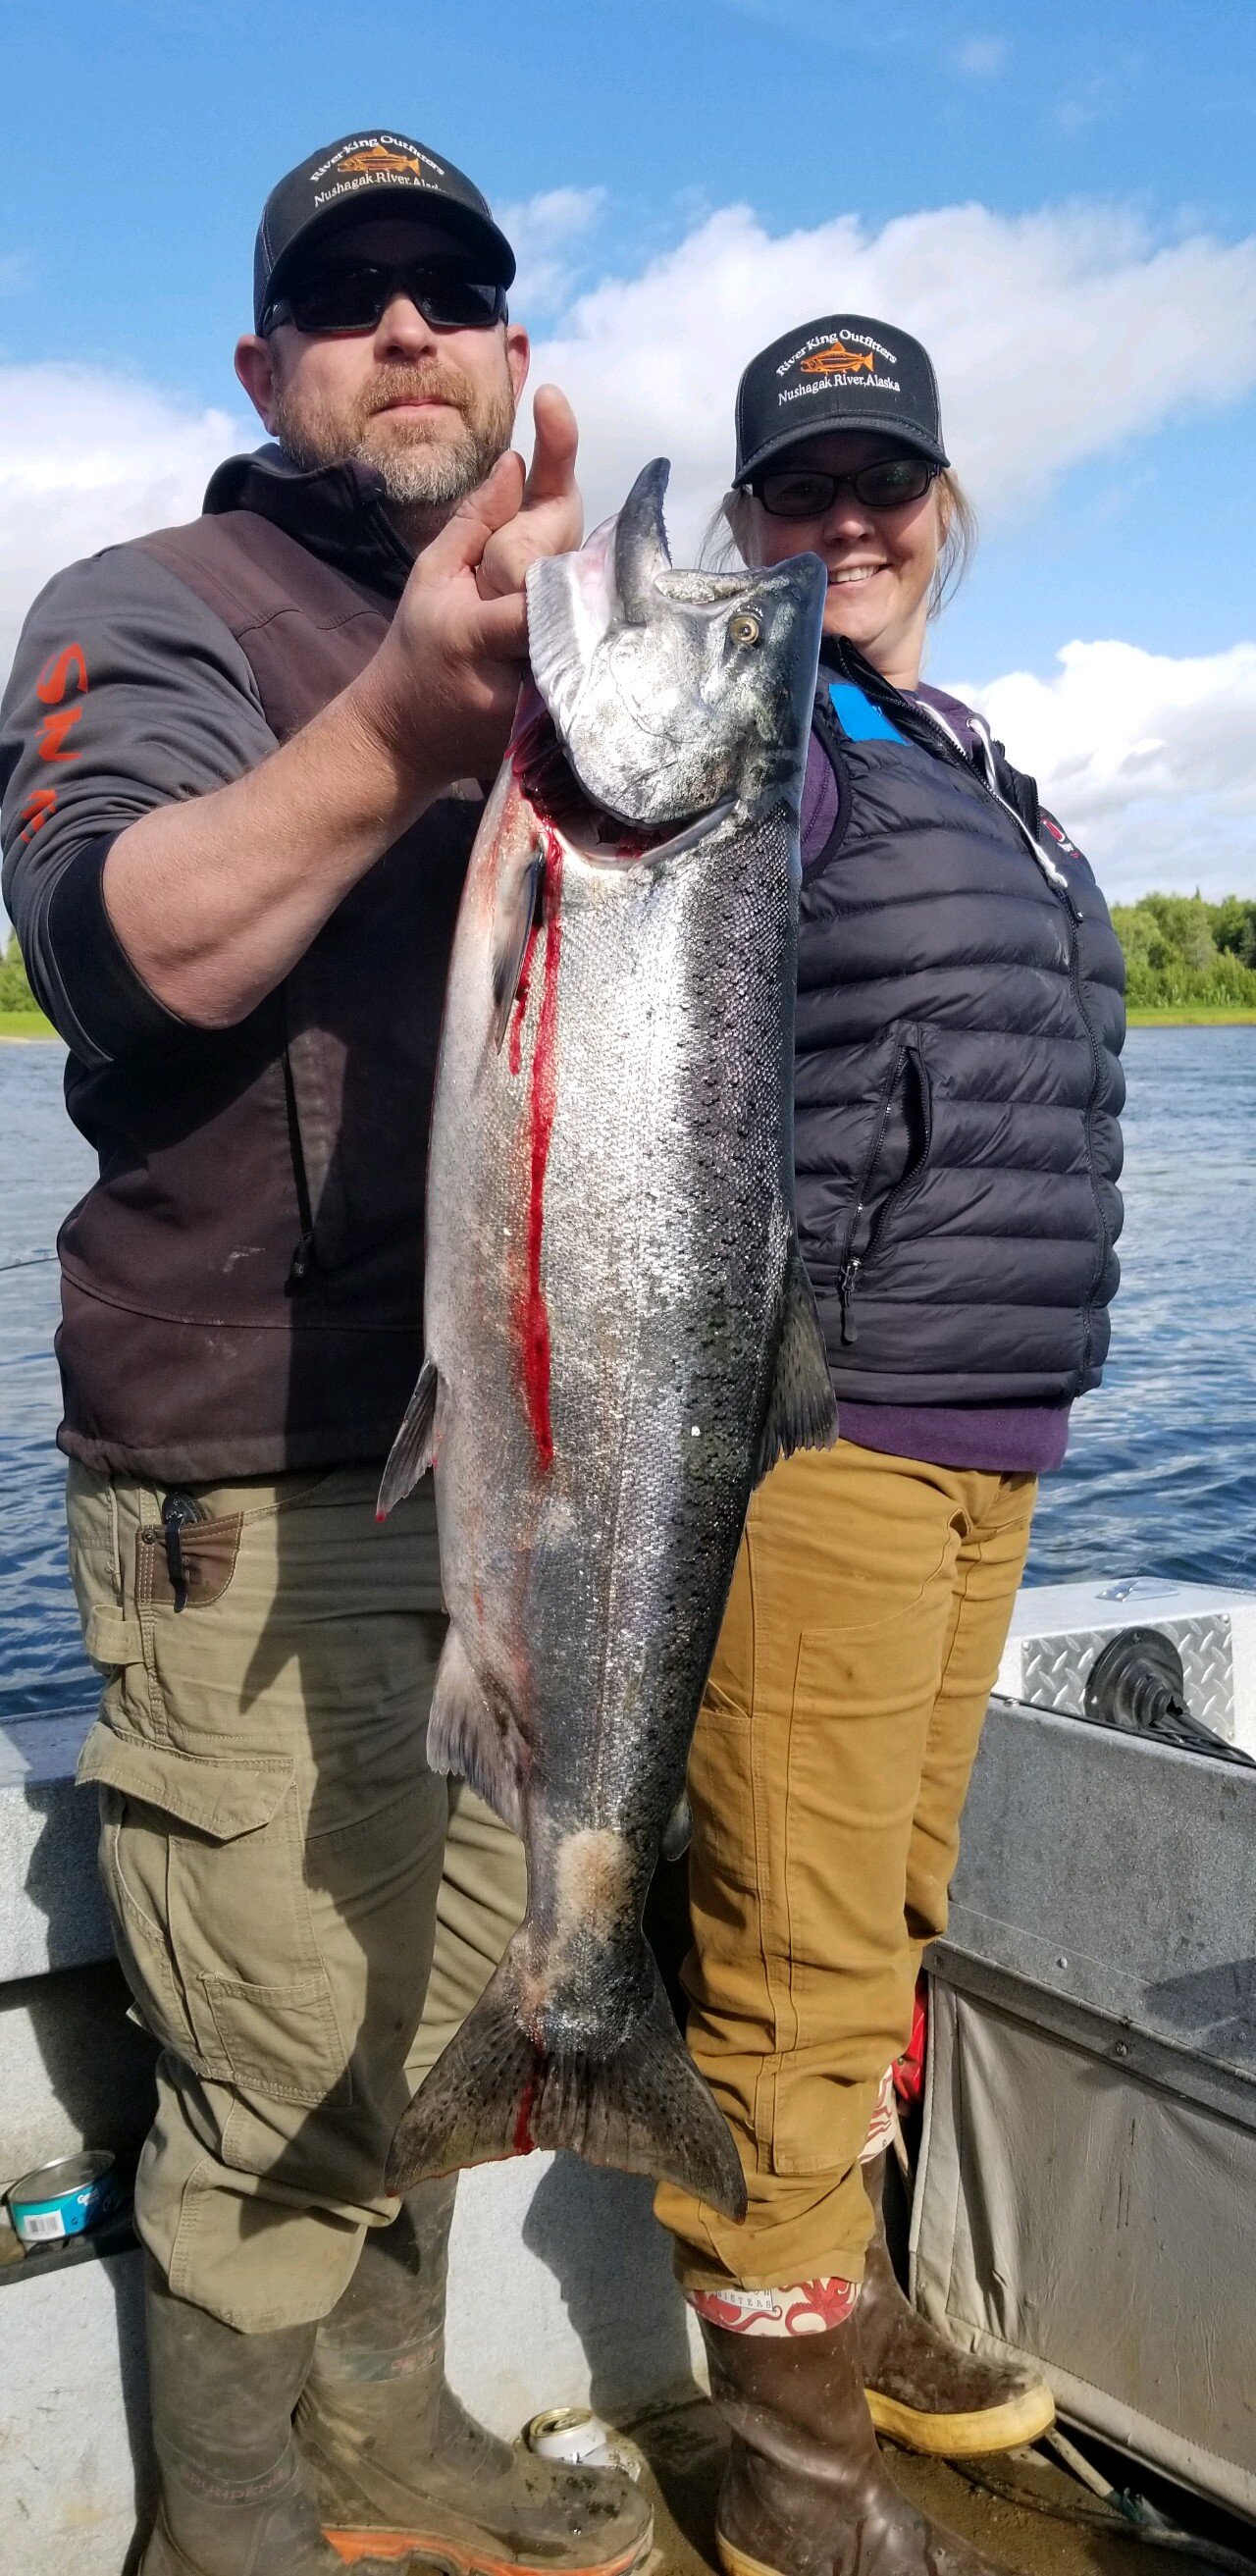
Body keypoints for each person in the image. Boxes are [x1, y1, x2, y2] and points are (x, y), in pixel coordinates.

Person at [0, 132, 651, 2576]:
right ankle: (238, 2530)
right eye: (345, 297)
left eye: (449, 289)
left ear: (508, 346)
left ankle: (386, 2437)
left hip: (544, 1486)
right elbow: (113, 937)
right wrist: (405, 709)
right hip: (251, 1488)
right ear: (264, 364)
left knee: (450, 2005)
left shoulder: (587, 644)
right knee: (278, 2065)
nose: (404, 326)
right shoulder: (144, 603)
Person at [654, 315, 1125, 2576]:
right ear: (746, 527)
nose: (843, 524)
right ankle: (791, 2486)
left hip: (993, 1432)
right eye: (795, 492)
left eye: (880, 485)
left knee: (889, 1926)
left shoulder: (967, 755)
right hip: (831, 1449)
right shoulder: (764, 749)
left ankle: (850, 2300)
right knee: (788, 1967)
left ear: (941, 504)